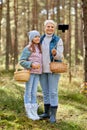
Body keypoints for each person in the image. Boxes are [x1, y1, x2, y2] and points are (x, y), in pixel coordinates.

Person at [39, 20, 64, 123]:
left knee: (53, 92)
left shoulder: (58, 40)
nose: (50, 28)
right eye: (48, 26)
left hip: (53, 69)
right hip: (42, 69)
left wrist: (55, 53)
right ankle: (46, 113)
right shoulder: (40, 39)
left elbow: (60, 56)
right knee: (45, 92)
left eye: (52, 27)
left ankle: (53, 115)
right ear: (44, 27)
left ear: (54, 28)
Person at [19, 30, 42, 120]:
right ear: (31, 38)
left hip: (37, 73)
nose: (37, 38)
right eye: (35, 36)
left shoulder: (39, 48)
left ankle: (34, 112)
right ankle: (28, 112)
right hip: (30, 73)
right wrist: (31, 64)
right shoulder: (28, 48)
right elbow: (22, 61)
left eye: (38, 36)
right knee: (28, 92)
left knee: (34, 92)